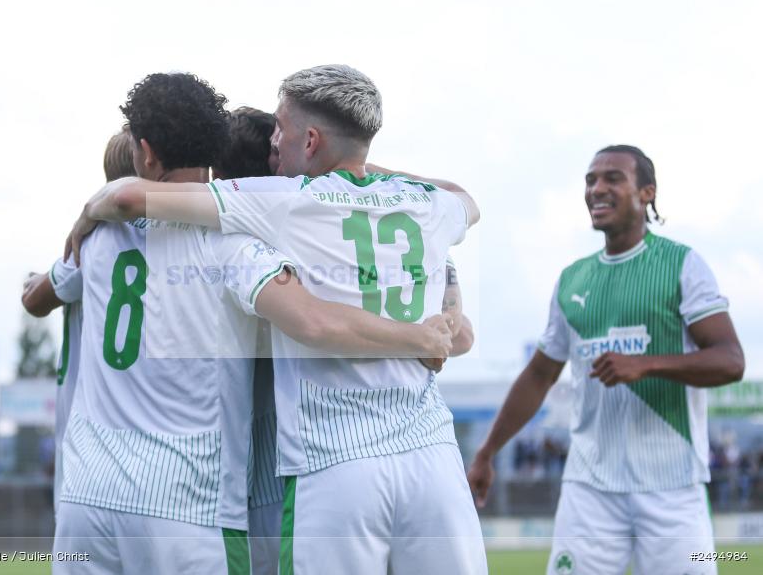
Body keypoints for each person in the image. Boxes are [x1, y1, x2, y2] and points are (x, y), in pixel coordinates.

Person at [65, 64, 488, 575]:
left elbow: (126, 199)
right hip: (431, 453)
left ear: (310, 140)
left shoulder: (281, 203)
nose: (274, 142)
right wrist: (365, 168)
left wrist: (90, 211)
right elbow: (466, 209)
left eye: (281, 132)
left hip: (328, 464)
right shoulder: (424, 205)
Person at [466, 145, 745, 575]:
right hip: (589, 487)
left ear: (647, 192)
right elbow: (539, 375)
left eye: (613, 178)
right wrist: (486, 452)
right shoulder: (572, 279)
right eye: (590, 180)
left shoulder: (682, 265)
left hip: (672, 488)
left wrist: (647, 364)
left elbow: (730, 360)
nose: (597, 188)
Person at [21, 126, 136, 515]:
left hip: (84, 428)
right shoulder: (152, 236)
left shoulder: (90, 242)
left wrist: (38, 280)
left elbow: (34, 300)